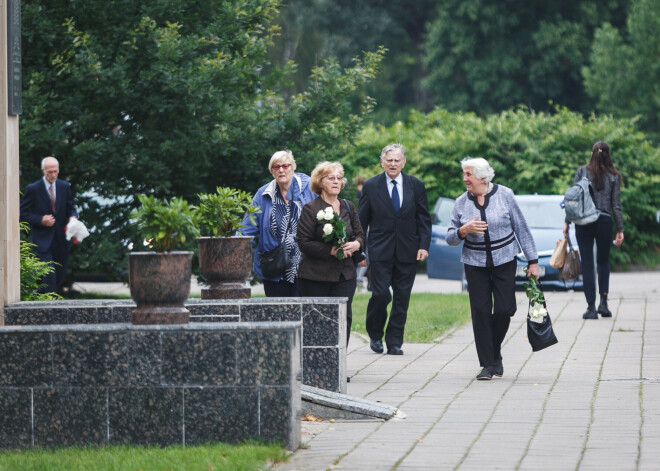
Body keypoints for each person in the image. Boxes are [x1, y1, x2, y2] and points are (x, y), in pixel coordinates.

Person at [447, 157, 539, 380]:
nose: (465, 179)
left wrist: (533, 261)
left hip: (505, 260)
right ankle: (488, 364)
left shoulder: (505, 195)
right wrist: (463, 230)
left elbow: (521, 228)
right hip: (475, 264)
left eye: (469, 174)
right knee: (480, 313)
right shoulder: (461, 202)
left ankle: (494, 352)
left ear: (483, 177)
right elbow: (450, 237)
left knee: (505, 309)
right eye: (465, 174)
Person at [358, 143, 432, 355]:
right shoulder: (371, 186)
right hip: (379, 251)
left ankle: (394, 342)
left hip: (408, 251)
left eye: (396, 160)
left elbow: (424, 219)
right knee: (380, 295)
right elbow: (361, 222)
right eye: (388, 160)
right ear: (382, 162)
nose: (392, 164)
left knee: (402, 298)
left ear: (404, 162)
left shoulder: (415, 185)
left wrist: (423, 246)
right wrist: (359, 250)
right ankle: (375, 333)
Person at [296, 161, 365, 345]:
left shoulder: (348, 206)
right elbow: (303, 242)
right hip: (315, 277)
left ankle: (339, 369)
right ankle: (317, 368)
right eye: (331, 178)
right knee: (317, 323)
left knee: (343, 320)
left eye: (339, 178)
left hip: (345, 275)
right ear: (320, 181)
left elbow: (359, 234)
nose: (336, 181)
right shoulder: (311, 208)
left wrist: (357, 245)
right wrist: (330, 251)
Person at [239, 150, 316, 296]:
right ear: (272, 171)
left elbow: (326, 218)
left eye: (285, 166)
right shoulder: (263, 194)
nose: (281, 170)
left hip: (306, 266)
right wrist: (233, 247)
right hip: (275, 267)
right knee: (278, 315)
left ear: (293, 167)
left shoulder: (310, 188)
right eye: (276, 167)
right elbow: (246, 228)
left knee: (304, 315)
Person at [563, 141, 624, 320]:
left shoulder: (582, 172)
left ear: (592, 154)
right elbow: (616, 205)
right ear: (608, 155)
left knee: (588, 263)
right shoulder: (614, 176)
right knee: (603, 262)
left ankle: (590, 308)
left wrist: (567, 222)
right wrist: (619, 228)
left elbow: (573, 200)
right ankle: (603, 304)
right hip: (604, 221)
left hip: (583, 222)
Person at [20, 156, 78, 293]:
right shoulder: (33, 189)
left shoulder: (64, 186)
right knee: (49, 276)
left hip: (61, 239)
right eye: (49, 172)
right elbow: (21, 213)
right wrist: (40, 219)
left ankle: (41, 302)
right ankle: (50, 308)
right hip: (42, 240)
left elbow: (71, 207)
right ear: (43, 171)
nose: (53, 175)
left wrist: (73, 217)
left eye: (55, 171)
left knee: (58, 277)